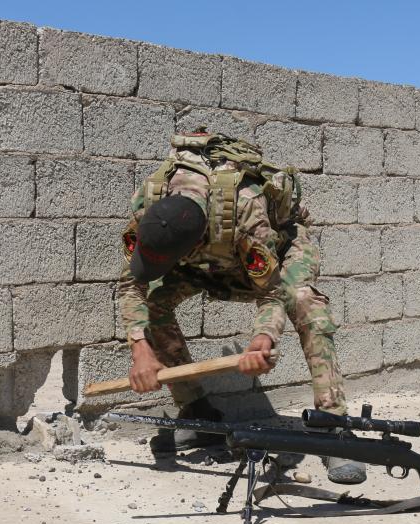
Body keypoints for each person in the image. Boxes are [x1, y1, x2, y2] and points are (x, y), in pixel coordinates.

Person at [116, 131, 366, 484]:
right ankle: (199, 414)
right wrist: (140, 348)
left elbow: (271, 292)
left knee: (307, 304)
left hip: (276, 252)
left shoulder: (246, 210)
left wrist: (263, 337)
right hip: (206, 264)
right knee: (155, 304)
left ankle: (334, 428)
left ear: (197, 241)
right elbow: (131, 284)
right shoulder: (150, 206)